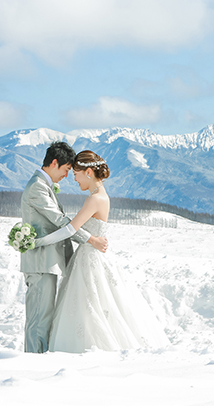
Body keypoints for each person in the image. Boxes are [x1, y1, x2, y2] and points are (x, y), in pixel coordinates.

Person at [34, 150, 169, 352]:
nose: (75, 180)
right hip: (91, 255)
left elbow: (71, 229)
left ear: (88, 172)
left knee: (90, 306)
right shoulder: (101, 196)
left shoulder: (94, 199)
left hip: (89, 259)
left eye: (76, 174)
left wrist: (38, 242)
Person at [20, 141, 109, 353]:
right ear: (54, 163)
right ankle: (33, 361)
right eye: (67, 169)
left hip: (47, 261)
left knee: (44, 317)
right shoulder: (37, 188)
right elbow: (61, 221)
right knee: (38, 319)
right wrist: (90, 239)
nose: (68, 176)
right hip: (40, 261)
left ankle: (38, 358)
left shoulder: (44, 186)